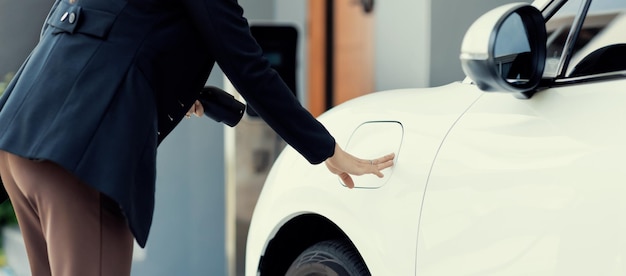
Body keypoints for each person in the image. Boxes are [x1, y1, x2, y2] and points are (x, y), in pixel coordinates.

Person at [0, 0, 394, 275]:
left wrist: (197, 98)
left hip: (22, 135)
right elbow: (247, 65)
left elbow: (109, 36)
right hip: (77, 156)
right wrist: (326, 149)